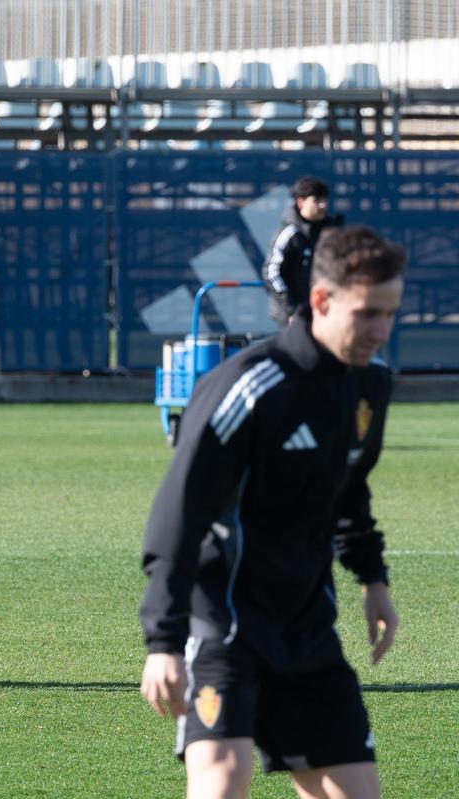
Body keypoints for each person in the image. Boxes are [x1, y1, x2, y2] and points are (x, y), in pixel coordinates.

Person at [139, 225, 404, 799]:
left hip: (307, 626)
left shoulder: (370, 388)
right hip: (224, 623)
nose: (380, 331)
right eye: (366, 314)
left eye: (390, 313)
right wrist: (162, 640)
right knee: (222, 780)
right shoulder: (249, 386)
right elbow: (178, 511)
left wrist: (372, 578)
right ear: (320, 300)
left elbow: (350, 487)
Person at [263, 176, 344, 325]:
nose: (323, 205)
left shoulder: (330, 232)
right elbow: (272, 273)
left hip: (325, 314)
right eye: (317, 200)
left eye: (325, 200)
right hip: (294, 318)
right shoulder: (290, 233)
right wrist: (292, 310)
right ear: (301, 202)